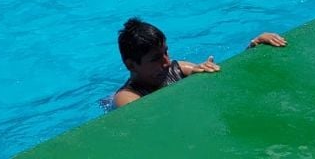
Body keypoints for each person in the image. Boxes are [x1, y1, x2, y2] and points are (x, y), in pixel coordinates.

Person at [111, 18, 285, 109]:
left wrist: (254, 47)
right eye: (156, 58)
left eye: (166, 52)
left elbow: (229, 79)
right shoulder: (127, 97)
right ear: (131, 65)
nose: (167, 62)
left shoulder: (178, 69)